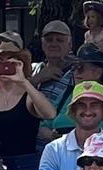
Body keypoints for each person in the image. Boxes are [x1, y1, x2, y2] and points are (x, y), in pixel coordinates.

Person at [48, 46, 103, 147]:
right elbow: (44, 126)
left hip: (99, 160)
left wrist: (100, 141)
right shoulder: (66, 94)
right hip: (61, 156)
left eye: (80, 67)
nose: (75, 72)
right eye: (74, 68)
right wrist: (54, 138)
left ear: (98, 73)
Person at [31, 21, 76, 153]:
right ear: (42, 44)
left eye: (60, 40)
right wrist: (37, 79)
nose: (54, 43)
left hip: (62, 146)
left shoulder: (78, 72)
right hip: (30, 145)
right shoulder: (33, 69)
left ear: (69, 44)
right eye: (49, 39)